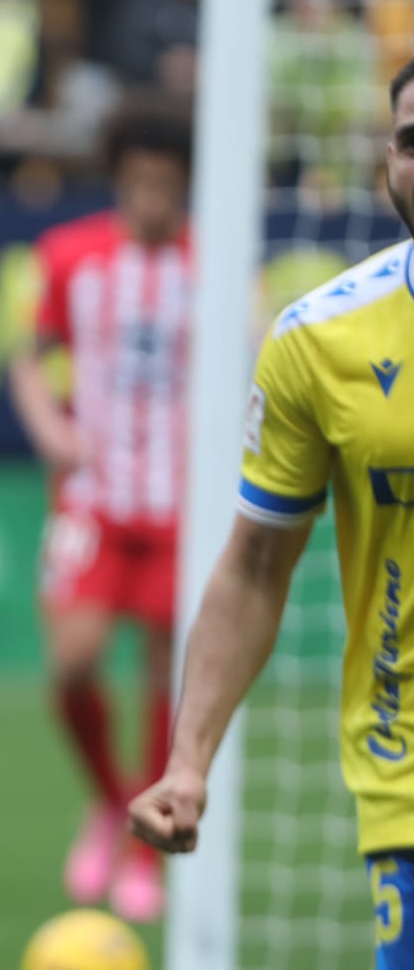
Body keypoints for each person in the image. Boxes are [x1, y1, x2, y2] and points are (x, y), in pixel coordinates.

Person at [132, 58, 414, 963]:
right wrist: (189, 761)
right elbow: (256, 565)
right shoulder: (321, 339)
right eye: (411, 142)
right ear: (388, 163)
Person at [8, 102, 193, 923]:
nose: (153, 201)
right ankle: (109, 799)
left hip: (179, 500)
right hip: (91, 497)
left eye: (168, 186)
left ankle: (145, 842)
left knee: (165, 670)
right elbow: (26, 354)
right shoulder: (68, 255)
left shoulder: (213, 265)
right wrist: (50, 428)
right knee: (73, 664)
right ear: (119, 179)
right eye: (140, 183)